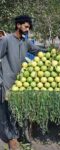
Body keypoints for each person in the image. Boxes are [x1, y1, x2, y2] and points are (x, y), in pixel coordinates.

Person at [0, 15, 46, 150]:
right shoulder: (6, 40)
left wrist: (55, 52)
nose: (28, 29)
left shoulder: (26, 42)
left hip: (21, 82)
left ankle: (18, 133)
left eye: (29, 27)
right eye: (26, 26)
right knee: (6, 111)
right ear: (18, 25)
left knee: (17, 110)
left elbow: (37, 51)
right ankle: (11, 138)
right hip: (6, 82)